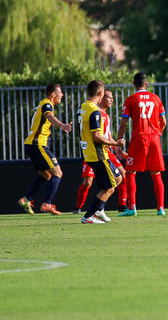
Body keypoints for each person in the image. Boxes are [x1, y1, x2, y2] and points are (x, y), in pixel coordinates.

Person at [117, 73, 167, 216]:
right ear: (147, 84)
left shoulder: (131, 100)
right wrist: (157, 133)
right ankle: (160, 209)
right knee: (156, 173)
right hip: (155, 137)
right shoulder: (156, 98)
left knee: (130, 172)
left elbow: (123, 124)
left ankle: (132, 208)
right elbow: (164, 122)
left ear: (134, 83)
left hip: (140, 137)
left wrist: (119, 144)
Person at [18, 83, 72, 216]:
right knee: (57, 173)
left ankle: (26, 199)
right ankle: (47, 204)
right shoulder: (47, 104)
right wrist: (62, 126)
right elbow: (49, 116)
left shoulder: (43, 104)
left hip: (31, 145)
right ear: (53, 95)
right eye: (60, 92)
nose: (62, 95)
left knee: (46, 175)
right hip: (38, 144)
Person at [78, 80, 125, 224]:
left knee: (117, 178)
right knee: (110, 187)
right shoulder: (95, 112)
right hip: (98, 154)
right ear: (100, 93)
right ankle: (89, 216)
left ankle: (99, 209)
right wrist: (115, 143)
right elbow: (97, 137)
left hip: (90, 153)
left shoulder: (83, 107)